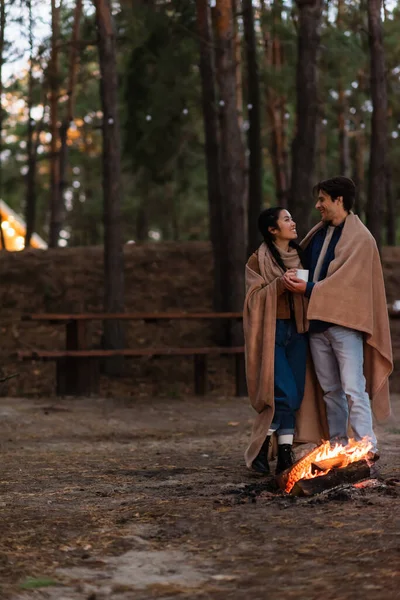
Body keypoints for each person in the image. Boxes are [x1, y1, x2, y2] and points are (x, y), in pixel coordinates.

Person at [284, 176, 393, 458]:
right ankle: (337, 446)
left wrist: (307, 287)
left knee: (353, 388)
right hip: (317, 324)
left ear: (339, 200)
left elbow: (347, 284)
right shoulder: (318, 234)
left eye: (322, 199)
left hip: (345, 325)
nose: (318, 205)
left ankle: (366, 446)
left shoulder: (360, 238)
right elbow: (308, 268)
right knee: (330, 390)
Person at [243, 207, 328, 475]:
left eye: (292, 217)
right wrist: (279, 286)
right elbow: (252, 300)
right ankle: (259, 448)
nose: (293, 222)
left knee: (297, 395)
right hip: (273, 332)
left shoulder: (301, 256)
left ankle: (284, 454)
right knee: (284, 394)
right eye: (287, 219)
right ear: (272, 229)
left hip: (299, 331)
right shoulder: (258, 260)